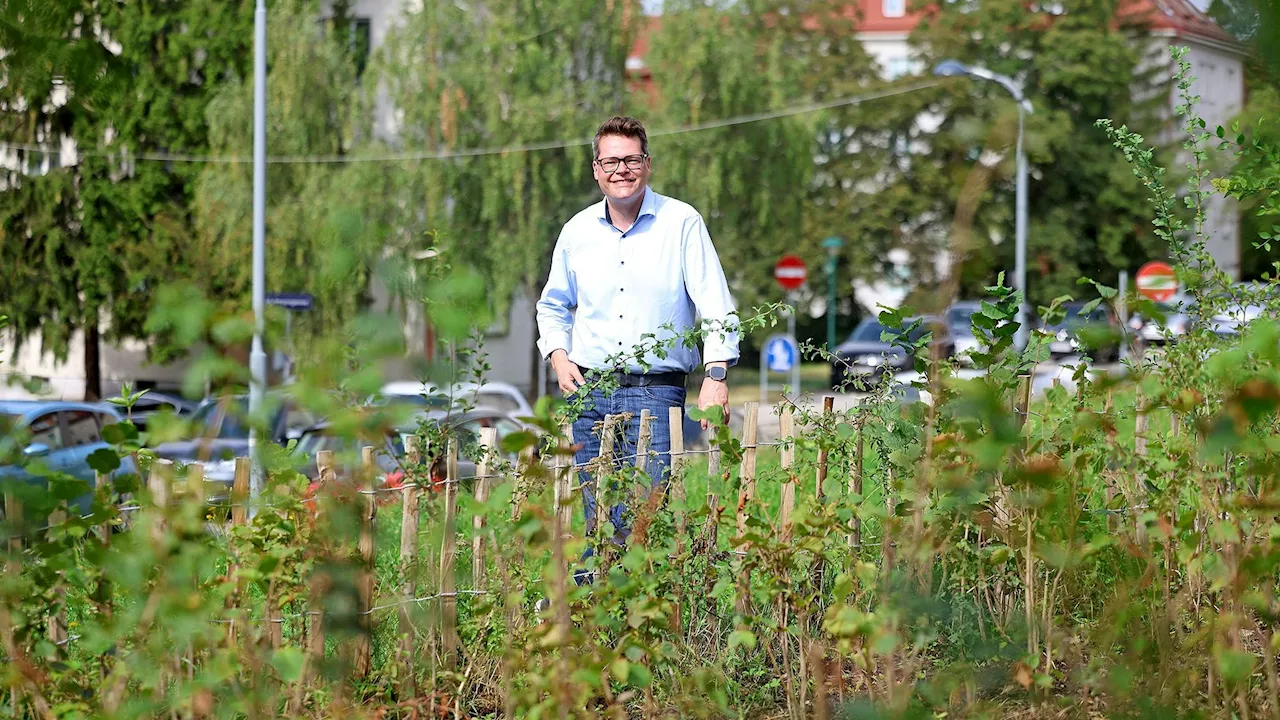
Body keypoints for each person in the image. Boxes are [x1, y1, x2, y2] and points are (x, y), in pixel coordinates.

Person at [535, 116, 739, 571]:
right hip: (587, 391)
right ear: (595, 169)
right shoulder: (577, 232)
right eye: (611, 161)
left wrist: (716, 375)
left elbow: (717, 305)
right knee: (598, 518)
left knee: (647, 515)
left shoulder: (681, 222)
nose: (620, 170)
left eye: (631, 159)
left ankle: (644, 621)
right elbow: (552, 305)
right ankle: (596, 625)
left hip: (657, 389)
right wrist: (558, 353)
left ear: (647, 164)